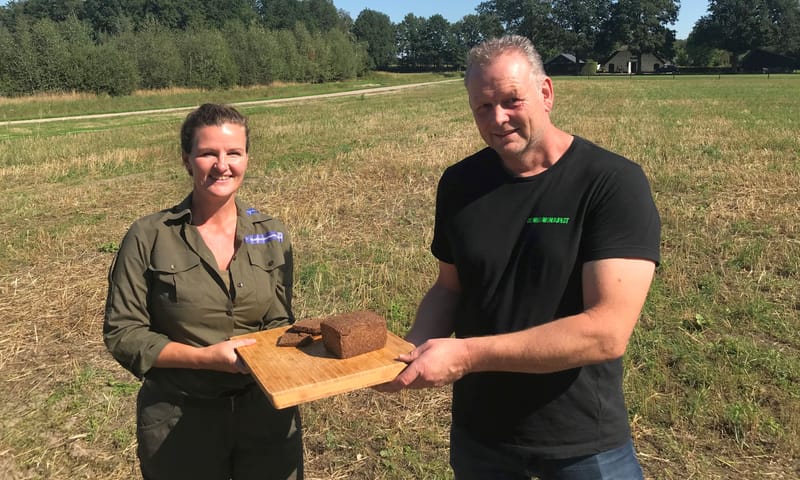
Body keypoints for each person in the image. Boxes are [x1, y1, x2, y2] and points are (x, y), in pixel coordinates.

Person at [378, 35, 661, 479]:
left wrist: (466, 355)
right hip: (482, 436)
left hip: (582, 442)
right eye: (483, 107)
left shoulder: (610, 183)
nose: (498, 118)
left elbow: (606, 333)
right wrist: (407, 352)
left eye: (512, 100)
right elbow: (449, 287)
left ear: (546, 93)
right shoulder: (460, 183)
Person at [103, 103, 303, 480]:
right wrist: (204, 358)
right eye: (208, 153)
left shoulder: (272, 233)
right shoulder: (149, 236)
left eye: (234, 153)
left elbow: (279, 321)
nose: (222, 165)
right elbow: (123, 334)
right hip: (181, 419)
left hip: (265, 413)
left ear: (247, 158)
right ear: (186, 160)